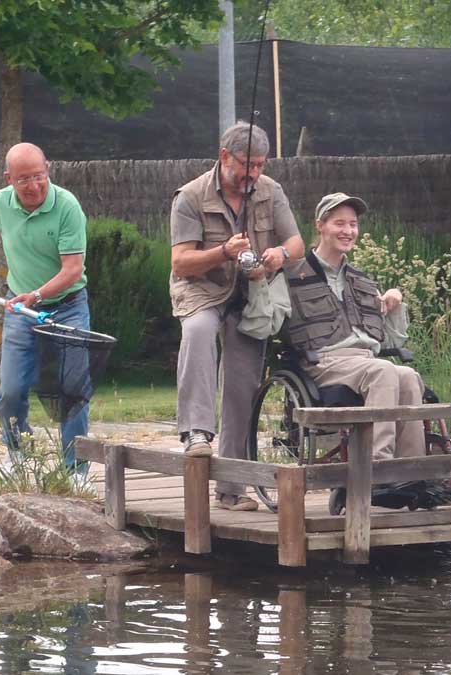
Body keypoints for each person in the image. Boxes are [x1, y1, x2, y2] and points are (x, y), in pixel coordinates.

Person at [170, 122, 304, 511]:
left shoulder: (271, 191)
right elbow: (181, 262)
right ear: (224, 156)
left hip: (251, 295)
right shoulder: (190, 197)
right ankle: (196, 433)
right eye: (247, 165)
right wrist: (223, 253)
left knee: (242, 383)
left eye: (261, 165)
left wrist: (280, 254)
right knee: (197, 331)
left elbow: (296, 242)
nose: (254, 174)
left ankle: (231, 489)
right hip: (201, 289)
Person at [0, 142, 92, 480]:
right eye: (23, 180)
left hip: (68, 307)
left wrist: (38, 294)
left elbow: (72, 269)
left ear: (48, 169)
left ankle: (76, 471)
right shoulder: (1, 203)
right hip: (20, 308)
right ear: (8, 179)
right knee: (11, 390)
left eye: (39, 176)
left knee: (72, 390)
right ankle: (18, 454)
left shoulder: (67, 207)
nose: (33, 186)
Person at [281, 192, 426, 460]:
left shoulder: (363, 280)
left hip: (366, 361)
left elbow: (392, 343)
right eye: (339, 223)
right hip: (323, 363)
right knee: (382, 371)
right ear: (320, 225)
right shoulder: (292, 277)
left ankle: (412, 469)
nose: (348, 231)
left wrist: (395, 304)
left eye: (353, 224)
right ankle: (377, 467)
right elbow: (268, 323)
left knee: (407, 375)